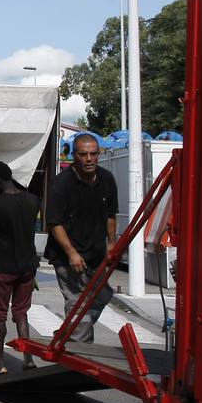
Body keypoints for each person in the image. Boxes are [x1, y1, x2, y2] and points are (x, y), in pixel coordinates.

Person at [44, 133, 118, 342]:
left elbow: (110, 214)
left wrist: (111, 244)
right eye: (83, 154)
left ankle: (70, 331)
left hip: (95, 254)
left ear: (98, 154)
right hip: (67, 255)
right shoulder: (61, 183)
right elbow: (54, 223)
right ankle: (80, 353)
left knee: (102, 295)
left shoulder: (106, 179)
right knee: (78, 304)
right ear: (74, 156)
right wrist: (71, 253)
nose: (88, 159)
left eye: (93, 154)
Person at [0, 161, 42, 373]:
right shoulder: (33, 200)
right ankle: (28, 359)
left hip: (3, 268)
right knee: (21, 313)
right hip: (27, 267)